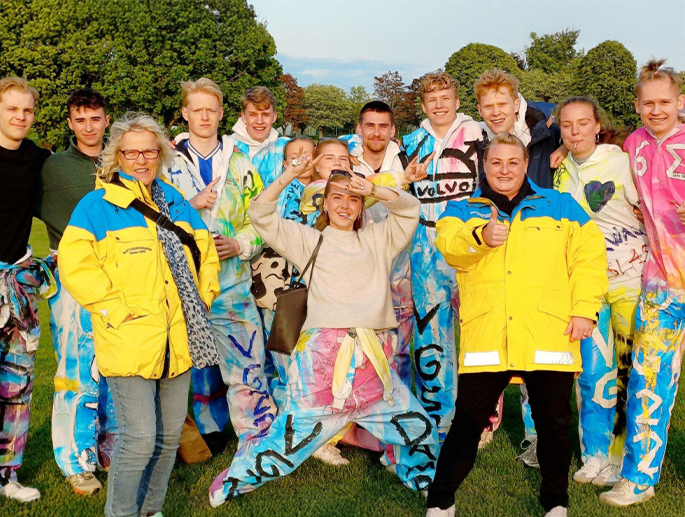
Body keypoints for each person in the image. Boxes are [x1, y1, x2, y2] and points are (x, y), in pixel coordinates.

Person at [209, 153, 438, 508]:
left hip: (372, 365)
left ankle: (423, 478)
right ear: (325, 204)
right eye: (337, 198)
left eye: (353, 199)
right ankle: (235, 480)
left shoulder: (379, 239)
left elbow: (410, 210)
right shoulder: (309, 240)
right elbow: (260, 214)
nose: (345, 205)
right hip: (321, 366)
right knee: (288, 444)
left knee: (418, 428)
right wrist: (289, 174)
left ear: (361, 207)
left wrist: (374, 189)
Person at [427, 133, 607, 517]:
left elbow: (589, 258)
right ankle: (440, 503)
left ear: (526, 165)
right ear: (484, 166)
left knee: (554, 424)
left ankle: (555, 503)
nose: (504, 170)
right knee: (467, 422)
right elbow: (450, 246)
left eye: (513, 162)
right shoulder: (462, 209)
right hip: (488, 335)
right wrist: (481, 236)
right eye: (496, 162)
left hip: (549, 332)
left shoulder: (561, 205)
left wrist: (584, 309)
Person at [58, 113, 220, 517]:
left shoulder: (176, 200)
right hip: (129, 340)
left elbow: (205, 252)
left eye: (149, 151)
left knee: (168, 439)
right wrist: (116, 311)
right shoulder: (96, 206)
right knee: (140, 439)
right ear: (117, 156)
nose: (141, 160)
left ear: (160, 154)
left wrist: (204, 297)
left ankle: (151, 510)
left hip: (179, 338)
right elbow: (76, 267)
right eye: (131, 153)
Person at [165, 78, 276, 454]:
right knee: (192, 366)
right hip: (181, 284)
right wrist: (190, 205)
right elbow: (147, 218)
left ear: (222, 113)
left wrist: (240, 244)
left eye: (211, 110)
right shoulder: (165, 163)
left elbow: (261, 218)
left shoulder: (240, 162)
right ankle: (205, 432)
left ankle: (257, 438)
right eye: (197, 109)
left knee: (247, 361)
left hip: (231, 283)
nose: (204, 117)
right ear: (185, 113)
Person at [600, 59, 685, 507]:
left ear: (680, 102)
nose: (657, 110)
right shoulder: (632, 145)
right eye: (648, 103)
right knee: (648, 379)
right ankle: (638, 478)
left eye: (664, 102)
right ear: (637, 106)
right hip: (662, 284)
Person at [554, 96, 646, 487]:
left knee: (629, 372)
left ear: (597, 125)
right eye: (567, 125)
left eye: (582, 123)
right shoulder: (560, 171)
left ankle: (624, 458)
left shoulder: (621, 162)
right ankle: (594, 456)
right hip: (585, 288)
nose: (575, 131)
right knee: (592, 374)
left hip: (628, 282)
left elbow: (651, 208)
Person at [473, 69, 562, 455]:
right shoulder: (477, 139)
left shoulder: (544, 132)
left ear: (516, 103)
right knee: (490, 339)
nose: (495, 112)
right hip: (493, 248)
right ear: (479, 109)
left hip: (537, 247)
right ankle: (484, 421)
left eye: (502, 103)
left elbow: (583, 125)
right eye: (488, 105)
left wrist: (563, 142)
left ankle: (536, 432)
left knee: (533, 341)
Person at [39, 87, 117, 495]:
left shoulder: (122, 160)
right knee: (77, 369)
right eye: (80, 119)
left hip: (121, 276)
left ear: (107, 120)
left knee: (118, 368)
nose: (88, 127)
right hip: (71, 277)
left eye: (95, 118)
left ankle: (111, 449)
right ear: (70, 123)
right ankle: (76, 460)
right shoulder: (52, 167)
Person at [400, 71, 482, 441]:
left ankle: (482, 417)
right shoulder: (411, 142)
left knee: (479, 331)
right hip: (425, 248)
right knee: (431, 332)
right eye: (431, 100)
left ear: (457, 101)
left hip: (470, 244)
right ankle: (437, 415)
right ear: (423, 105)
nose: (439, 105)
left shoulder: (478, 134)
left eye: (445, 98)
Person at [0, 76, 53, 503]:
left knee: (17, 385)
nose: (20, 117)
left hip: (19, 285)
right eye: (11, 109)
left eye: (27, 110)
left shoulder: (37, 158)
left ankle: (8, 475)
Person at [341, 101, 414, 384]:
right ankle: (363, 401)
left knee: (401, 345)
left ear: (393, 130)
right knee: (357, 343)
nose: (376, 132)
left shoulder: (405, 161)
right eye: (369, 125)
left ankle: (400, 401)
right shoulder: (345, 161)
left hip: (399, 266)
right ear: (359, 129)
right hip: (357, 266)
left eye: (383, 126)